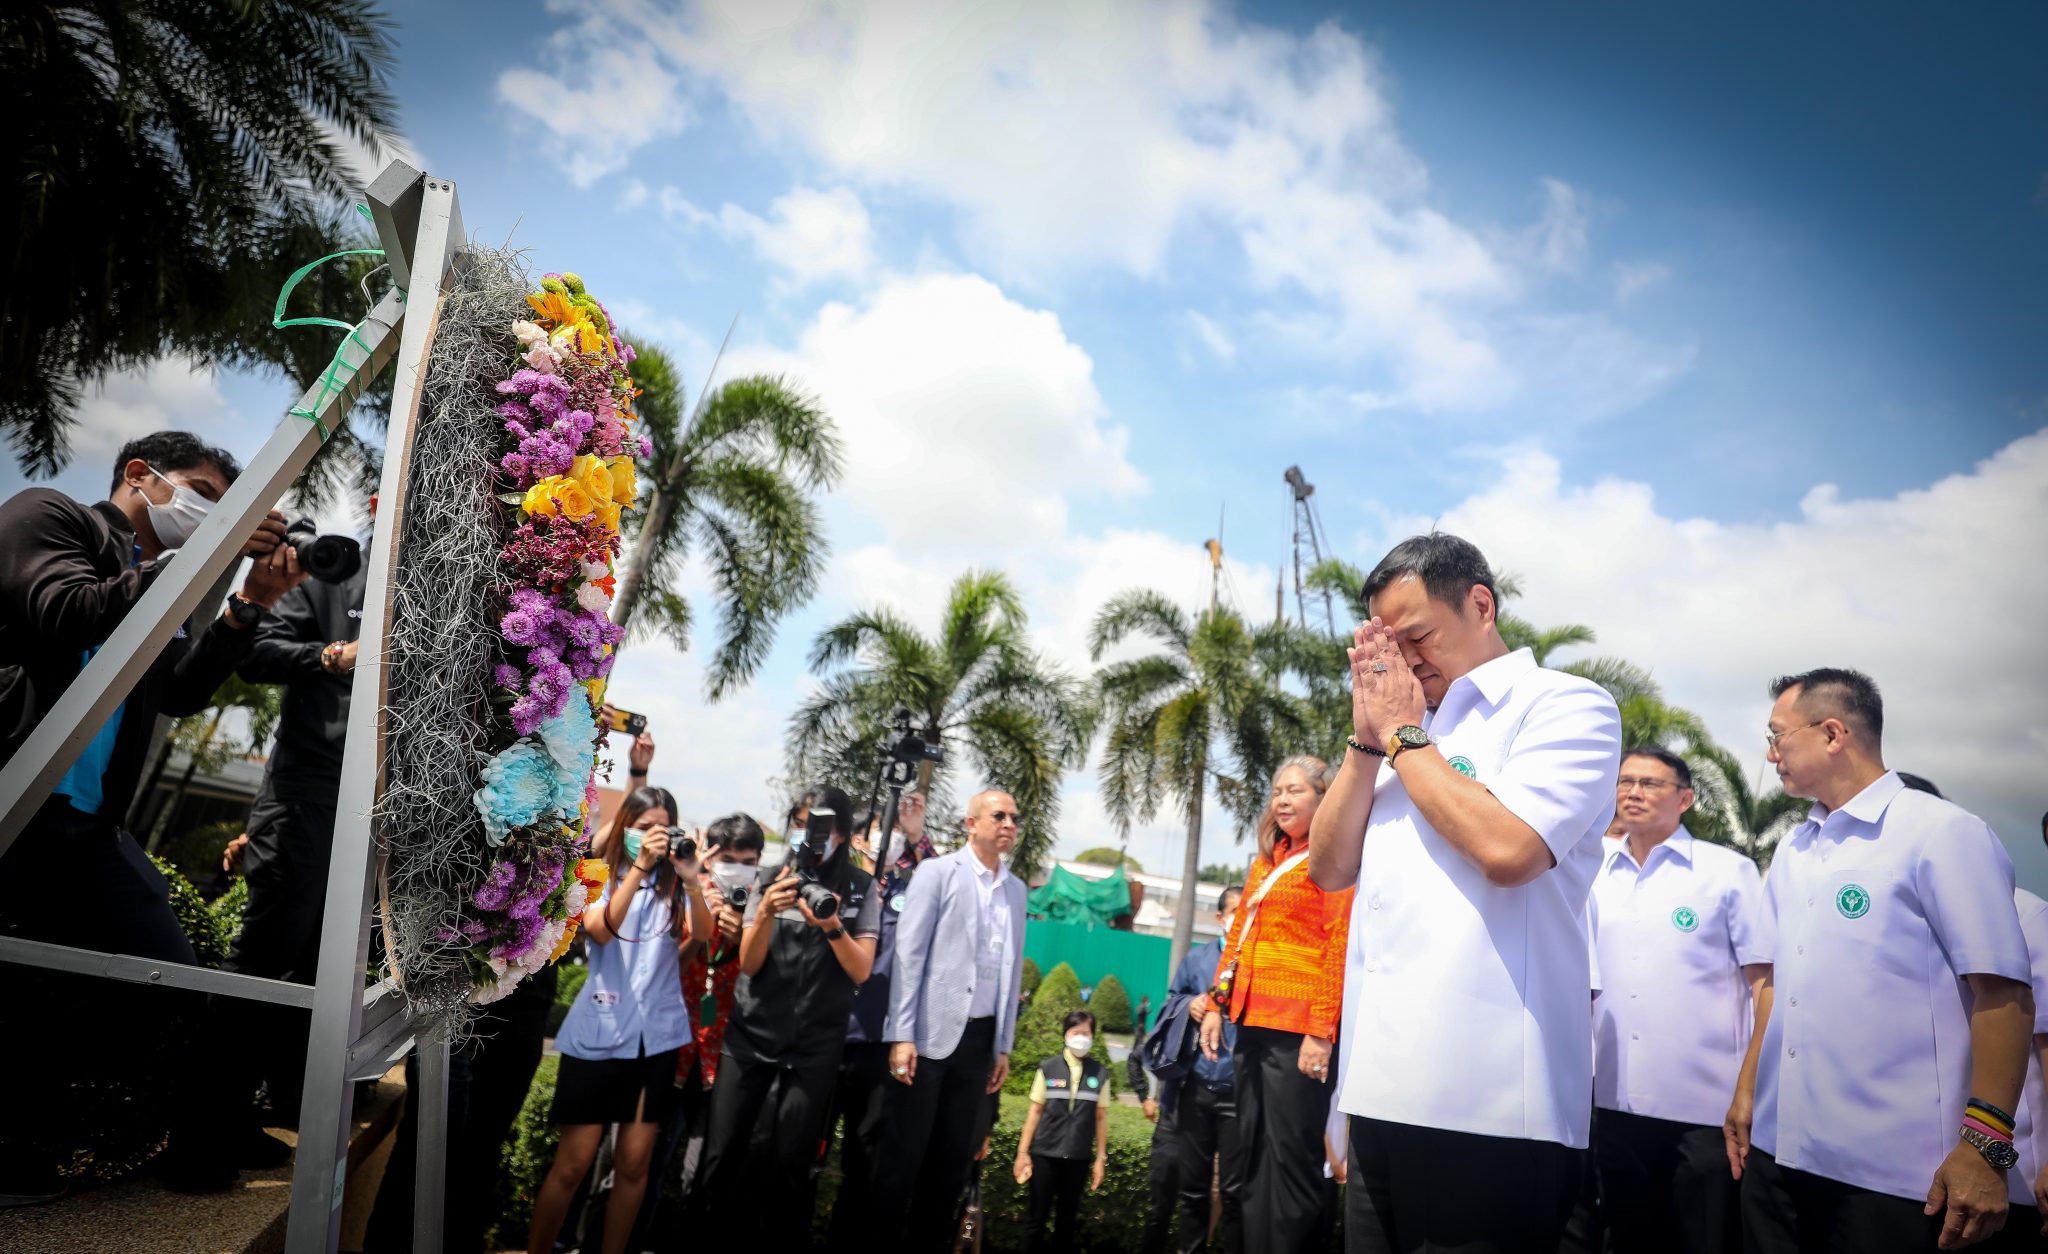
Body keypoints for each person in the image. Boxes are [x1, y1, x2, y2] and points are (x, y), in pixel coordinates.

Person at [0, 431, 304, 1199]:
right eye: (205, 496)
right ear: (141, 475)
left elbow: (180, 690)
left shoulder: (158, 579)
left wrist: (248, 606)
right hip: (16, 802)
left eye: (229, 511)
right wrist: (200, 560)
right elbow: (63, 611)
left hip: (88, 828)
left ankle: (138, 1133)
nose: (215, 518)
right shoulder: (50, 516)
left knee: (165, 977)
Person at [1309, 532, 1622, 1254]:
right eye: (1391, 645)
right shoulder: (1404, 730)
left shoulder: (1564, 705)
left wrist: (1402, 735)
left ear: (1480, 604)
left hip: (1490, 1103)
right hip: (1381, 1086)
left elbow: (1509, 850)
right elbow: (1328, 869)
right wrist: (1367, 743)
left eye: (1418, 635)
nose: (1407, 660)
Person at [1727, 668, 2033, 1254]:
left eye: (1778, 736)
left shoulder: (1942, 832)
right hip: (1777, 1157)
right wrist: (1747, 1093)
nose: (1771, 755)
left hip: (1896, 1178)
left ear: (1833, 733)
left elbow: (2004, 994)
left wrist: (1985, 1146)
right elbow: (1775, 986)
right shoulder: (1795, 847)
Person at [224, 502, 367, 1132]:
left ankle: (272, 1112)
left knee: (322, 970)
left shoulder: (437, 591)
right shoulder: (330, 570)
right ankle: (206, 1133)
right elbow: (255, 651)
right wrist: (336, 656)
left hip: (371, 814)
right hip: (307, 796)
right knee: (265, 959)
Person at [1589, 747, 1765, 1254]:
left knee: (1704, 1238)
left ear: (1685, 799)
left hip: (1704, 1110)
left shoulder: (1726, 872)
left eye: (1650, 783)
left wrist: (1749, 1090)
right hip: (1610, 1103)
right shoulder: (1591, 869)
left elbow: (1764, 986)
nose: (1633, 793)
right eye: (1625, 782)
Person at [689, 784, 880, 1240]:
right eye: (801, 823)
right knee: (722, 1155)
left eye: (822, 826)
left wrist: (832, 926)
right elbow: (750, 963)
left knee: (790, 1164)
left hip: (815, 1047)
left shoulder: (860, 887)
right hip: (750, 1037)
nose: (810, 834)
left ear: (841, 832)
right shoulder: (771, 876)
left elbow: (861, 970)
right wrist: (767, 912)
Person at [527, 787, 708, 1254]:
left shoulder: (677, 881)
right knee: (574, 1163)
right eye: (644, 827)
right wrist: (640, 867)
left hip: (655, 1041)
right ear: (625, 826)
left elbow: (704, 935)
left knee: (633, 1163)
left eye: (662, 828)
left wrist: (691, 879)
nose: (653, 836)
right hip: (600, 1033)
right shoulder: (599, 873)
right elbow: (600, 931)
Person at [1197, 757, 1350, 1252]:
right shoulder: (1267, 860)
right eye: (1277, 791)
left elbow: (1338, 944)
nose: (1282, 800)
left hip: (1298, 1030)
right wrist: (1217, 1004)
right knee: (1251, 1154)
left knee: (1291, 1159)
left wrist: (1321, 1031)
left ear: (1324, 799)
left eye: (1295, 791)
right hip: (1251, 1021)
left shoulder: (1336, 855)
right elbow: (1238, 936)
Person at [873, 789, 1030, 1251]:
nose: (1008, 824)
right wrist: (902, 1034)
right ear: (971, 824)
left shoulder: (1017, 890)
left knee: (951, 1166)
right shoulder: (938, 873)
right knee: (901, 1159)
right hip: (926, 1036)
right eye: (998, 816)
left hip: (980, 1041)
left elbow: (1012, 971)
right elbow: (909, 955)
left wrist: (1003, 1044)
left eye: (1014, 818)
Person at [827, 789, 937, 1245]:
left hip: (877, 1041)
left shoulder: (912, 888)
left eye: (892, 833)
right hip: (826, 1035)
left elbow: (943, 885)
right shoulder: (840, 884)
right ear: (857, 840)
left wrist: (917, 834)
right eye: (878, 832)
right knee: (798, 1147)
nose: (885, 840)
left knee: (863, 1158)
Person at [1150, 884, 1246, 1254]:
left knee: (1236, 1192)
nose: (1241, 919)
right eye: (1235, 911)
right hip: (1196, 1088)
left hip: (1239, 1093)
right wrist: (1188, 1004)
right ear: (1220, 918)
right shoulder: (1197, 958)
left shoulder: (1258, 961)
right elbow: (1170, 1001)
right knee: (1193, 1189)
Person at [1014, 1009, 1111, 1253]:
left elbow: (1101, 1118)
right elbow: (1035, 1111)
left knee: (1066, 1223)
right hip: (1045, 1154)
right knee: (1036, 1219)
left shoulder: (1100, 1073)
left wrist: (1100, 1158)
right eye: (1076, 1032)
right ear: (1066, 1034)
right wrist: (1022, 1153)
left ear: (1093, 1037)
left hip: (1078, 1157)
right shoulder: (1048, 1068)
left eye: (1086, 1033)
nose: (1081, 1038)